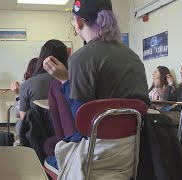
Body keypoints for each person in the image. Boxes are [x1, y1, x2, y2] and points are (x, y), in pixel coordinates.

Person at [42, 0, 150, 178]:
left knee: (49, 158)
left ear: (78, 22)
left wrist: (64, 80)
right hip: (132, 156)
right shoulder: (134, 58)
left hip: (95, 158)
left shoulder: (79, 58)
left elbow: (81, 122)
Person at [19, 40, 68, 120]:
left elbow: (24, 119)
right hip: (67, 129)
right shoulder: (73, 81)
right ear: (65, 58)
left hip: (37, 131)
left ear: (41, 58)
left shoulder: (26, 85)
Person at [10, 57, 38, 134]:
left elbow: (18, 114)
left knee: (19, 124)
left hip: (31, 128)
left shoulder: (26, 85)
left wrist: (17, 94)